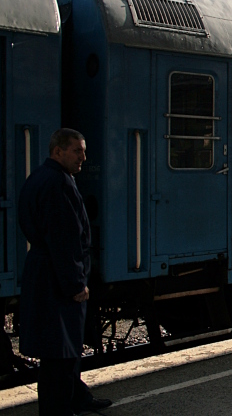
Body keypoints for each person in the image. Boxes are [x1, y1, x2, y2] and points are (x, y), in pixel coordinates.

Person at [17, 129, 112, 415]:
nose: (83, 157)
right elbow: (63, 238)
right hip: (57, 279)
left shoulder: (40, 178)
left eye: (83, 151)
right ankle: (57, 410)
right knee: (58, 354)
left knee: (65, 348)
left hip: (46, 272)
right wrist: (75, 284)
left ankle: (77, 398)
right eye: (77, 151)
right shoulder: (58, 183)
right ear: (58, 151)